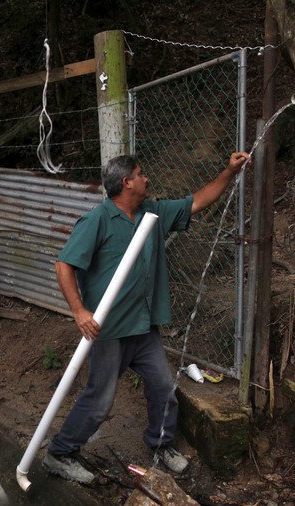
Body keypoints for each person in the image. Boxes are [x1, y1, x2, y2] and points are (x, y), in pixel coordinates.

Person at [42, 152, 250, 484]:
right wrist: (79, 311)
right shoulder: (97, 220)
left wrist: (229, 170)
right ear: (126, 182)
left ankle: (161, 445)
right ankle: (61, 453)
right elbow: (63, 264)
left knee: (163, 387)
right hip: (109, 331)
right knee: (100, 399)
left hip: (144, 326)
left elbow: (198, 201)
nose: (146, 179)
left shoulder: (152, 213)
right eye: (141, 174)